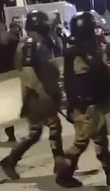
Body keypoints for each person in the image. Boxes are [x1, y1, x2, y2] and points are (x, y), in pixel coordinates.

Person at [56, 11, 110, 188]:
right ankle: (63, 174)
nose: (97, 31)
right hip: (87, 105)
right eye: (94, 27)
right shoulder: (82, 51)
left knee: (100, 140)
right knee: (81, 142)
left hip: (88, 103)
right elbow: (99, 76)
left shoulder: (79, 47)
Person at [0, 10, 67, 181]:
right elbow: (28, 71)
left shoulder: (32, 41)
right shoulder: (30, 42)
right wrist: (42, 93)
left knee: (40, 131)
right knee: (50, 127)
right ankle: (58, 163)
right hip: (36, 95)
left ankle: (12, 161)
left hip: (37, 94)